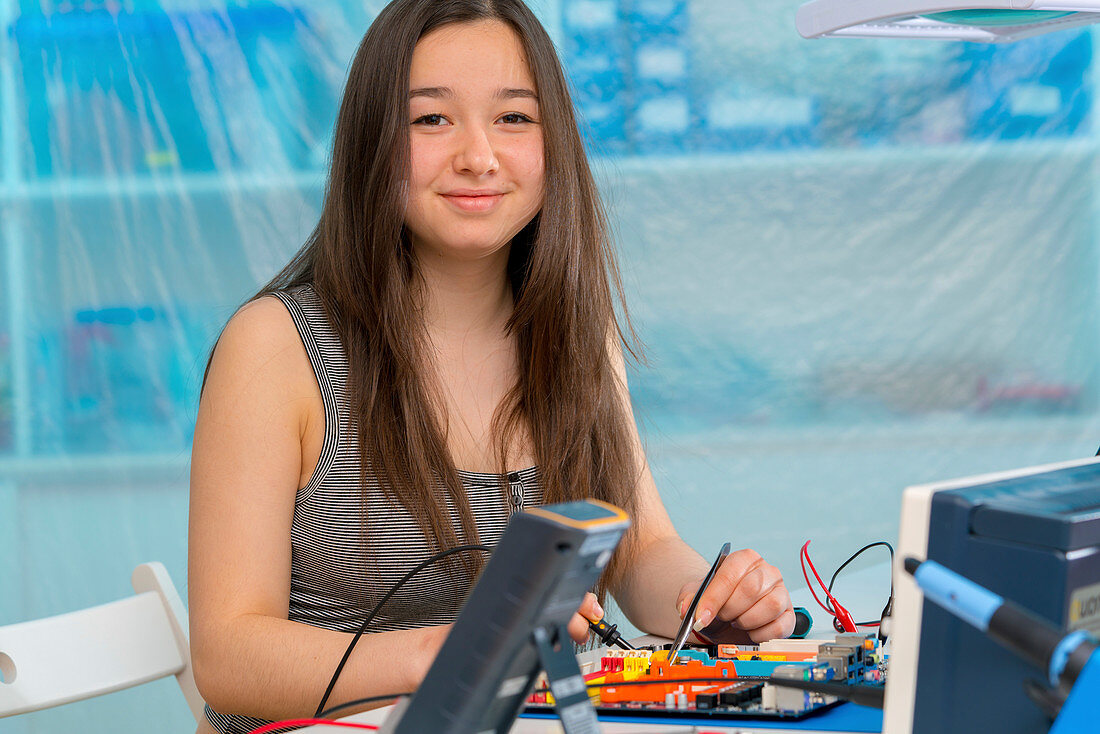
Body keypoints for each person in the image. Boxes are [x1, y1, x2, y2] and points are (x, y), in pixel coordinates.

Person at [188, 1, 794, 732]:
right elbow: (226, 656)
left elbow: (642, 550)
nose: (479, 156)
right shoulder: (274, 345)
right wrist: (438, 656)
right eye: (431, 120)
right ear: (371, 144)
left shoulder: (575, 331)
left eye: (513, 118)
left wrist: (706, 602)